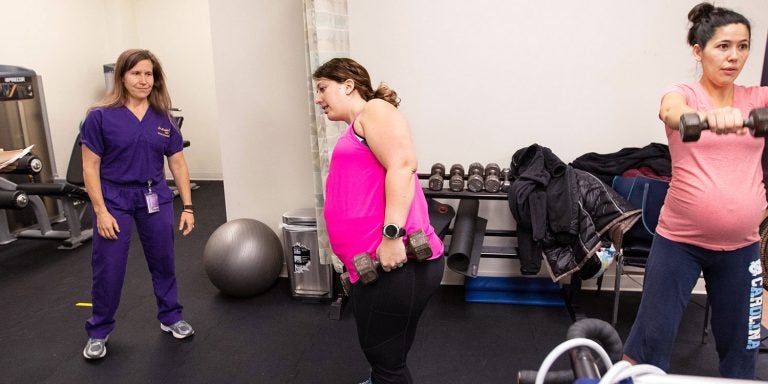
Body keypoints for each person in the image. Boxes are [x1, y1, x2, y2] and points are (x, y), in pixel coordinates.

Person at [623, 3, 768, 379]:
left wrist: (741, 116)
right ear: (698, 50)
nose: (734, 56)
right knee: (650, 345)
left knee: (742, 352)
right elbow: (671, 112)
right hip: (679, 243)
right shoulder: (683, 93)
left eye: (743, 46)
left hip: (743, 247)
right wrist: (708, 118)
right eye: (723, 46)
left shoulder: (757, 99)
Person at [314, 58, 445, 384]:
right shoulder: (359, 124)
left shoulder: (374, 110)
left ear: (348, 84)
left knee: (386, 361)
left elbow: (402, 164)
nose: (318, 99)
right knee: (389, 354)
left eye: (322, 88)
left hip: (396, 264)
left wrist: (391, 236)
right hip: (378, 267)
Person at [80, 49, 196, 360]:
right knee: (109, 268)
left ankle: (170, 316)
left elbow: (178, 164)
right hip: (114, 199)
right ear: (122, 76)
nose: (143, 80)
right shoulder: (99, 116)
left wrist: (187, 206)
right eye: (136, 73)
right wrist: (101, 211)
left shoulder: (163, 118)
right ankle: (99, 330)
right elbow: (89, 167)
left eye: (149, 74)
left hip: (154, 196)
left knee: (164, 260)